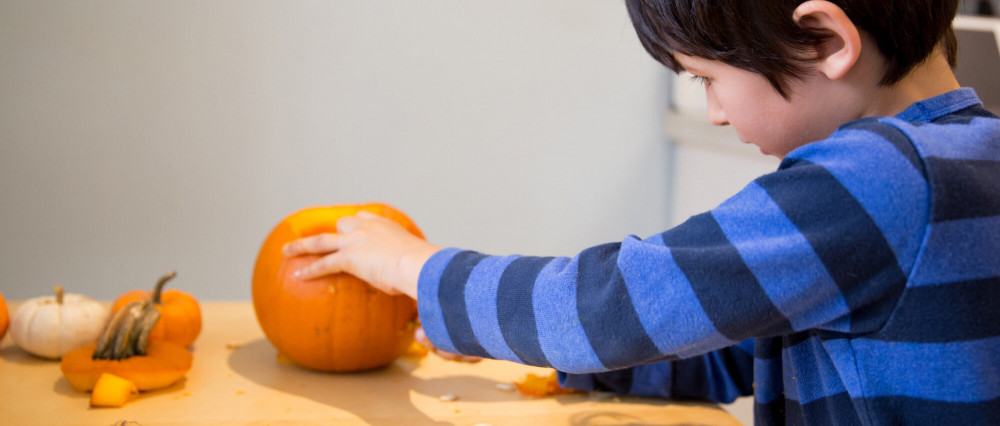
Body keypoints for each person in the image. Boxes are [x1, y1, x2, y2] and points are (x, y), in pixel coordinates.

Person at [282, 0, 1000, 424]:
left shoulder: (877, 181)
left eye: (708, 78)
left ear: (825, 40)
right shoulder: (968, 157)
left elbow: (605, 309)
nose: (714, 113)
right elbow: (738, 347)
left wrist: (414, 268)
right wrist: (571, 370)